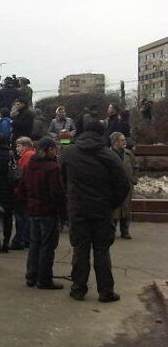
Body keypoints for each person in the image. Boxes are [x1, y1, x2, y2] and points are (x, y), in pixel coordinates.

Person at [61, 121, 130, 302]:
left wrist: (71, 199)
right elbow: (123, 184)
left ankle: (78, 289)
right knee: (102, 250)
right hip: (102, 210)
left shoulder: (69, 153)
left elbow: (62, 179)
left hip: (78, 210)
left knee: (80, 249)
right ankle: (106, 292)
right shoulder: (109, 156)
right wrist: (110, 204)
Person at [19, 137, 65, 290]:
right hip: (48, 212)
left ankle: (31, 276)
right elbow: (57, 192)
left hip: (33, 210)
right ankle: (44, 278)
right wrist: (62, 212)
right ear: (49, 149)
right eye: (54, 148)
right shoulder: (52, 167)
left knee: (34, 244)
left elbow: (22, 188)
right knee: (47, 246)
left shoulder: (29, 165)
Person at [109, 132, 138, 239]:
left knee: (126, 208)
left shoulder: (129, 153)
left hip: (127, 186)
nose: (125, 142)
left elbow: (136, 166)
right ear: (115, 142)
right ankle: (111, 230)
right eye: (122, 140)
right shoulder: (108, 154)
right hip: (114, 186)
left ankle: (125, 231)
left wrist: (134, 179)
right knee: (114, 210)